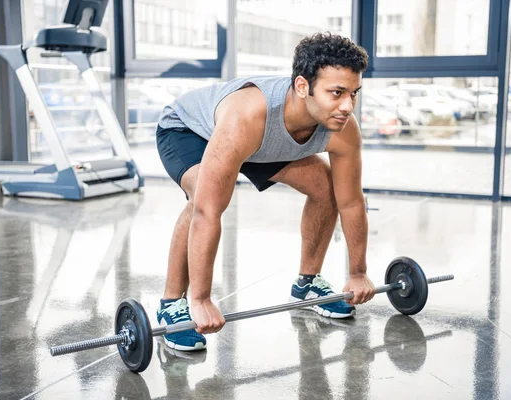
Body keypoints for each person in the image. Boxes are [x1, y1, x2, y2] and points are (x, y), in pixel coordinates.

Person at [155, 32, 376, 352]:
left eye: (353, 93)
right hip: (189, 131)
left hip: (258, 144)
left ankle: (307, 283)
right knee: (203, 195)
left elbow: (352, 202)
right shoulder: (247, 115)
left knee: (326, 187)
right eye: (337, 93)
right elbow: (207, 212)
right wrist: (202, 299)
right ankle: (173, 303)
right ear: (303, 87)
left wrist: (358, 273)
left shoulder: (342, 127)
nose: (347, 106)